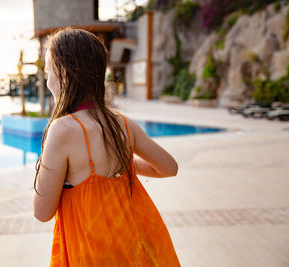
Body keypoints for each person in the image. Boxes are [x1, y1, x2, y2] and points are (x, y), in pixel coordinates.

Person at [33, 28, 180, 266]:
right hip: (134, 250)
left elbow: (42, 212)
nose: (47, 80)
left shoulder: (62, 130)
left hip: (93, 256)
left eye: (48, 72)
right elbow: (169, 167)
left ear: (64, 75)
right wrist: (127, 163)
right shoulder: (122, 123)